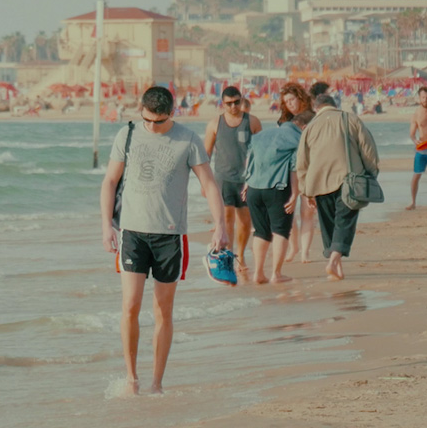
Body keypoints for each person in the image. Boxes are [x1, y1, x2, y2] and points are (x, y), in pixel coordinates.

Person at [101, 86, 228, 395]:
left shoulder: (188, 140)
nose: (153, 126)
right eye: (147, 120)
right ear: (141, 111)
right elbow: (110, 181)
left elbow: (209, 184)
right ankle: (131, 378)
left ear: (173, 112)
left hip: (170, 236)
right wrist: (106, 225)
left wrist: (220, 226)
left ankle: (157, 383)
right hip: (132, 233)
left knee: (163, 310)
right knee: (130, 305)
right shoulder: (127, 134)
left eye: (159, 121)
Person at [296, 94, 380, 281]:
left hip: (318, 182)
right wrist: (371, 173)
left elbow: (301, 162)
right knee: (345, 221)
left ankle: (336, 266)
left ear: (316, 108)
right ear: (335, 105)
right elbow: (368, 149)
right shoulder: (351, 119)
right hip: (348, 180)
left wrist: (305, 190)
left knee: (329, 224)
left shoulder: (310, 127)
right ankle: (334, 261)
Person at [243, 110, 316, 284]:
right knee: (280, 231)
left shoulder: (261, 136)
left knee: (261, 231)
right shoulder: (298, 139)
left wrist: (247, 183)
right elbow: (294, 167)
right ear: (305, 127)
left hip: (254, 188)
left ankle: (258, 273)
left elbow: (250, 160)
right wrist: (295, 193)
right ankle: (276, 274)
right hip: (278, 189)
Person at [203, 86, 261, 275]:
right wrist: (205, 182)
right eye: (229, 103)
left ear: (241, 100)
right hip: (223, 178)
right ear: (223, 104)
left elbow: (261, 152)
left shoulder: (252, 122)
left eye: (237, 102)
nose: (233, 106)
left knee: (245, 220)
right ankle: (228, 256)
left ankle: (241, 255)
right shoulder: (214, 124)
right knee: (226, 218)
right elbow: (205, 155)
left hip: (247, 180)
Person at [278, 83, 317, 263]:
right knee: (288, 210)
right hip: (288, 169)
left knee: (307, 211)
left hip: (309, 167)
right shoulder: (284, 120)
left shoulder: (312, 117)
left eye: (292, 99)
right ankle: (294, 247)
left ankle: (305, 252)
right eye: (286, 102)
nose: (290, 104)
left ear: (300, 98)